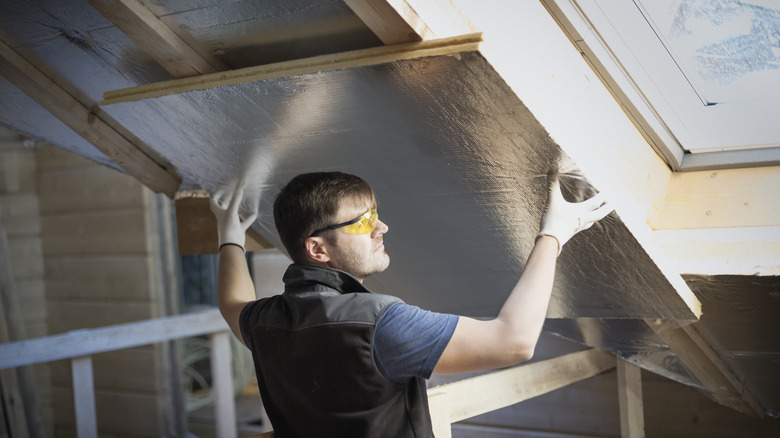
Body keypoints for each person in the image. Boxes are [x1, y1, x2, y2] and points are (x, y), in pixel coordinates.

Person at [209, 171, 612, 437]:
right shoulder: (379, 324)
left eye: (375, 214)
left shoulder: (265, 323)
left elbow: (232, 301)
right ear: (317, 248)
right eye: (363, 222)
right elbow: (514, 341)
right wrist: (553, 235)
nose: (381, 227)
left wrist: (229, 234)